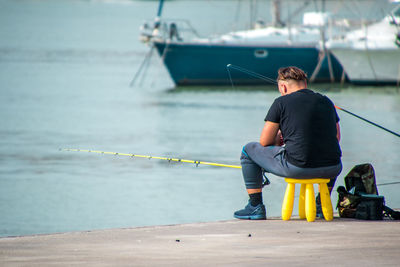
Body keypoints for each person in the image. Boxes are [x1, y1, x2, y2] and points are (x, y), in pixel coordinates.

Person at [234, 66, 342, 220]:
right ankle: (319, 206)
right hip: (333, 168)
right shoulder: (326, 101)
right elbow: (336, 138)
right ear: (305, 84)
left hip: (298, 168)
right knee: (328, 151)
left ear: (283, 87)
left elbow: (264, 142)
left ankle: (255, 206)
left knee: (248, 150)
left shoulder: (281, 102)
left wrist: (279, 138)